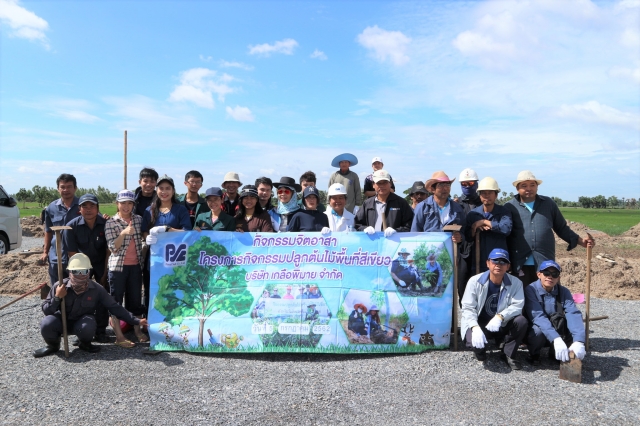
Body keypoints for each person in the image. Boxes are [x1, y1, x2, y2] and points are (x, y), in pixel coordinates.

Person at [34, 253, 148, 358]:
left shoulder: (97, 289)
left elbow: (114, 307)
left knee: (89, 324)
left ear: (89, 272)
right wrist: (57, 297)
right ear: (70, 272)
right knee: (47, 323)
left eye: (83, 271)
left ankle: (85, 344)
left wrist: (136, 321)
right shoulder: (59, 286)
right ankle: (53, 346)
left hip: (82, 323)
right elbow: (46, 310)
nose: (80, 275)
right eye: (76, 272)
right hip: (62, 321)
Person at [505, 170, 595, 286]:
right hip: (520, 262)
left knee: (547, 294)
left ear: (537, 187)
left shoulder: (548, 204)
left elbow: (561, 227)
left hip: (545, 261)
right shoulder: (510, 207)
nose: (529, 188)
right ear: (517, 188)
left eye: (532, 185)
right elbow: (505, 234)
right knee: (521, 294)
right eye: (524, 186)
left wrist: (581, 241)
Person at [461, 248, 528, 370]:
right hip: (480, 323)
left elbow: (517, 306)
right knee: (473, 341)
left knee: (521, 321)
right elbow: (468, 308)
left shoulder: (516, 283)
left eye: (503, 262)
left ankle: (507, 352)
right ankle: (481, 349)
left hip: (501, 323)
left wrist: (500, 317)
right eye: (495, 261)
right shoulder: (474, 281)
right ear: (488, 263)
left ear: (508, 266)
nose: (498, 264)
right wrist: (475, 327)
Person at [63, 194, 110, 343]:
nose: (88, 209)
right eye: (85, 206)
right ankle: (82, 331)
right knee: (81, 296)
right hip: (81, 266)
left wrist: (104, 273)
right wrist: (81, 276)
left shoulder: (106, 224)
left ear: (97, 208)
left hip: (101, 263)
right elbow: (72, 254)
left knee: (103, 295)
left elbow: (108, 251)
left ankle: (101, 330)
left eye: (92, 206)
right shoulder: (71, 226)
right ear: (79, 209)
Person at [141, 175, 191, 314]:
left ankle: (173, 318)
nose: (164, 192)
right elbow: (144, 230)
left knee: (173, 288)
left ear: (173, 191)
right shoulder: (150, 210)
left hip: (175, 258)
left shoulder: (180, 210)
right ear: (156, 190)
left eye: (168, 188)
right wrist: (146, 238)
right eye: (161, 188)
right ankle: (151, 319)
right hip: (155, 258)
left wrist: (168, 229)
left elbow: (187, 232)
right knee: (152, 288)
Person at [104, 190, 148, 347]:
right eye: (123, 203)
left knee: (135, 300)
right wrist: (123, 233)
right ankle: (119, 336)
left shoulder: (138, 220)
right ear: (117, 204)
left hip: (135, 266)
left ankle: (137, 331)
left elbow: (144, 238)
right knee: (115, 301)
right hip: (117, 268)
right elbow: (112, 248)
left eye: (130, 203)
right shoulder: (111, 222)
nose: (126, 206)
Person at [524, 260, 586, 365]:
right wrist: (556, 338)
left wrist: (579, 340)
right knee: (537, 331)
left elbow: (573, 313)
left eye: (554, 274)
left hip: (556, 323)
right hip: (538, 325)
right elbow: (538, 316)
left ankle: (558, 353)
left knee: (571, 327)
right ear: (539, 275)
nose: (550, 277)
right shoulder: (530, 290)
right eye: (546, 273)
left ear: (558, 278)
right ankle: (534, 354)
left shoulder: (564, 292)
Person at [464, 177, 512, 274]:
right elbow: (467, 237)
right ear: (480, 196)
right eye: (484, 193)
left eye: (490, 193)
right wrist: (474, 227)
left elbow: (506, 229)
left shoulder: (503, 212)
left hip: (498, 261)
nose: (487, 196)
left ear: (496, 195)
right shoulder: (473, 214)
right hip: (478, 262)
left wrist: (485, 222)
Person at [42, 173, 81, 287]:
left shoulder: (83, 206)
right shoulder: (51, 208)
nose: (66, 190)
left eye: (69, 187)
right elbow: (48, 231)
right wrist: (45, 252)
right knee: (57, 289)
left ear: (75, 188)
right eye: (62, 187)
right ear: (58, 189)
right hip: (56, 256)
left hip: (77, 256)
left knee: (76, 288)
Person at [355, 170, 414, 236]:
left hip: (394, 241)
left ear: (390, 184)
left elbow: (409, 225)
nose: (382, 186)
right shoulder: (367, 204)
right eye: (379, 183)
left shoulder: (401, 203)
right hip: (372, 241)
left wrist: (397, 231)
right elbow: (357, 224)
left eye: (385, 183)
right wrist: (364, 228)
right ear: (373, 185)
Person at [411, 171, 464, 242]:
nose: (445, 188)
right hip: (427, 248)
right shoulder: (422, 207)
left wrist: (460, 237)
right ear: (433, 189)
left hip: (450, 249)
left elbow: (464, 231)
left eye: (448, 185)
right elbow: (415, 234)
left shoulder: (457, 208)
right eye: (441, 185)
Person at [457, 168, 481, 294]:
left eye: (470, 183)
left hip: (481, 247)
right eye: (464, 184)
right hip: (462, 250)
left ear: (476, 184)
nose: (467, 186)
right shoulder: (456, 204)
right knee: (462, 283)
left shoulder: (483, 201)